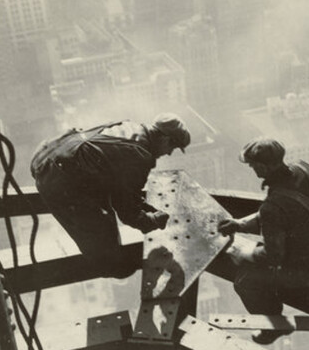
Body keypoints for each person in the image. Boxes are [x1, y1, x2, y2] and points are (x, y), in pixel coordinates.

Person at [30, 113, 191, 278]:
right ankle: (105, 267)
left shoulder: (127, 125)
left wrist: (143, 205)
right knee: (111, 262)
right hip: (57, 179)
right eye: (172, 147)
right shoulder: (139, 155)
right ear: (165, 140)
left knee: (104, 217)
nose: (170, 153)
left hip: (45, 157)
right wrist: (153, 221)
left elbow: (121, 188)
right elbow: (128, 214)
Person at [218, 137, 309, 344]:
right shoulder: (303, 169)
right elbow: (288, 213)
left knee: (245, 282)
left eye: (252, 165)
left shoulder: (273, 207)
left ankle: (274, 328)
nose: (252, 169)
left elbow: (272, 256)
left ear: (262, 166)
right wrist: (240, 224)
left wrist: (243, 253)